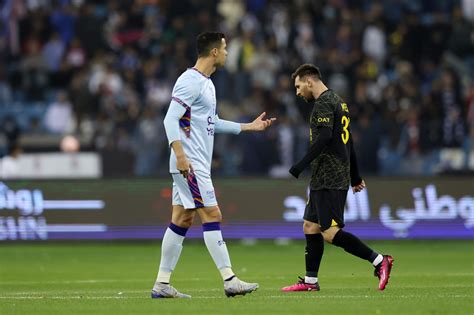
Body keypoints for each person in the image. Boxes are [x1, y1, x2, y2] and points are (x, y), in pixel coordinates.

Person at [151, 32, 276, 299]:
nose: (228, 52)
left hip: (194, 163)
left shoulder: (207, 84)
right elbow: (169, 120)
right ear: (215, 52)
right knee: (212, 214)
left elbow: (212, 122)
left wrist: (248, 127)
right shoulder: (189, 80)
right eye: (225, 48)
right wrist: (181, 155)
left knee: (182, 218)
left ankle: (162, 284)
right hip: (189, 164)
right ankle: (230, 279)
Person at [281, 64, 393, 292]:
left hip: (329, 175)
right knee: (310, 225)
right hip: (328, 175)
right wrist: (355, 176)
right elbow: (348, 141)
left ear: (309, 81)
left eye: (298, 85)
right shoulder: (339, 101)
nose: (297, 92)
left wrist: (299, 166)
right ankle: (310, 281)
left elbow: (322, 138)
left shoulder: (323, 103)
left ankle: (380, 261)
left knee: (330, 233)